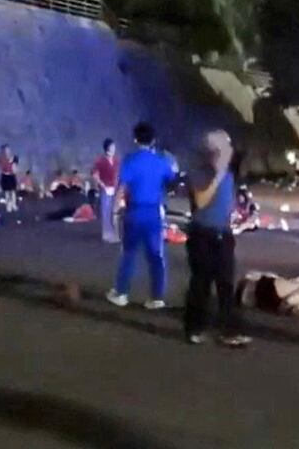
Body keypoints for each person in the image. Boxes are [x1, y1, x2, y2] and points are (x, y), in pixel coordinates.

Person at [184, 130, 251, 347]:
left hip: (223, 235)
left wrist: (237, 217)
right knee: (200, 284)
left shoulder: (230, 174)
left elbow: (228, 202)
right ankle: (195, 329)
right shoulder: (199, 172)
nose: (228, 154)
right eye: (224, 150)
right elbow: (201, 201)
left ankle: (229, 331)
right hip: (202, 235)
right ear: (212, 152)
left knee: (226, 285)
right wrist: (218, 176)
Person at [106, 123, 176, 310]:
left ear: (135, 139)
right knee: (156, 256)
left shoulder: (130, 160)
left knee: (129, 253)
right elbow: (171, 181)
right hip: (153, 212)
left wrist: (113, 211)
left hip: (134, 211)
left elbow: (122, 188)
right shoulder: (162, 161)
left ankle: (121, 293)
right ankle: (156, 297)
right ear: (153, 140)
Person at [92, 139, 120, 244]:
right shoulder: (101, 160)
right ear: (108, 148)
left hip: (115, 188)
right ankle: (106, 234)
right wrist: (101, 184)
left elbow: (118, 174)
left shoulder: (116, 160)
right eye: (112, 146)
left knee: (113, 212)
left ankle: (114, 233)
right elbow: (94, 174)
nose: (114, 148)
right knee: (105, 211)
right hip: (105, 189)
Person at [0, 144, 18, 212]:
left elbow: (15, 168)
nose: (6, 152)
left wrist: (13, 167)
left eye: (8, 150)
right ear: (3, 151)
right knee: (7, 192)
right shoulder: (0, 158)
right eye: (5, 150)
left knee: (13, 191)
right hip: (5, 176)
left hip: (12, 176)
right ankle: (8, 205)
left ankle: (13, 204)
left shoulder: (14, 157)